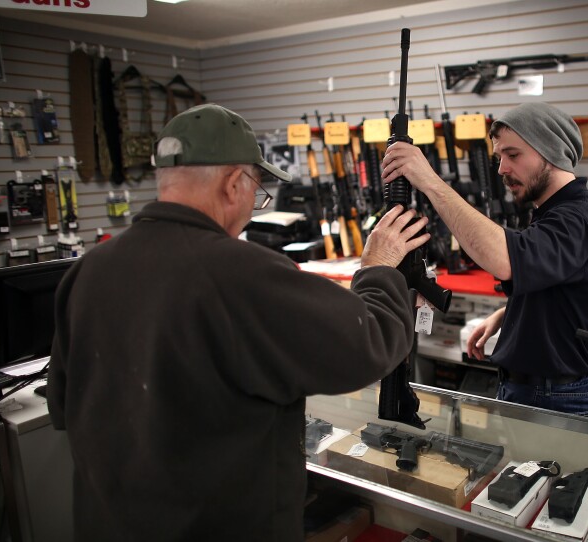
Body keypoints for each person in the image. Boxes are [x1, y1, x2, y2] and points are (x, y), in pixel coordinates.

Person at [47, 103, 430, 541]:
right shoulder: (243, 273)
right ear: (234, 184)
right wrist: (379, 266)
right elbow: (370, 344)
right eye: (258, 190)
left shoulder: (86, 272)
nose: (255, 203)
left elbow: (63, 410)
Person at [381, 102, 588, 417]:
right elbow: (560, 289)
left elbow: (506, 259)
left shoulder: (575, 218)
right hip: (537, 391)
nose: (502, 168)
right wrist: (508, 315)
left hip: (553, 399)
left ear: (551, 152)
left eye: (513, 155)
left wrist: (429, 181)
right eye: (499, 157)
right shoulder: (555, 212)